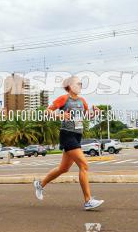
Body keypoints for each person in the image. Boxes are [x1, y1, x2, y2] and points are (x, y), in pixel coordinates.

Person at [33, 76, 103, 210]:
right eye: (78, 83)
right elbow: (47, 112)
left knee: (63, 169)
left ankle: (40, 184)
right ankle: (88, 201)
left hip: (77, 136)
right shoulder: (64, 99)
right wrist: (59, 115)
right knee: (84, 165)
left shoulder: (82, 101)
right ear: (70, 86)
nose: (81, 85)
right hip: (67, 135)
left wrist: (95, 114)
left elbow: (86, 116)